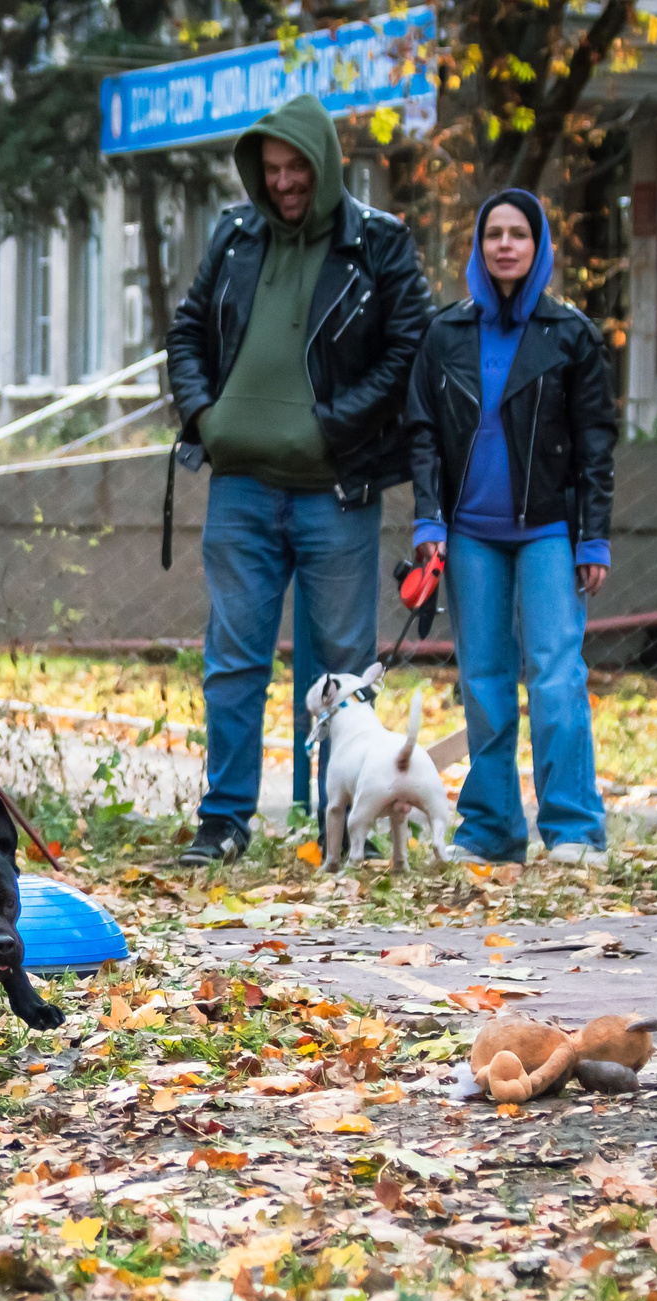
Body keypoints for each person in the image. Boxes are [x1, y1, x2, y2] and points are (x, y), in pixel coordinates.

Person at [166, 93, 435, 866]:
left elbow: (405, 350)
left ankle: (335, 824)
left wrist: (327, 426)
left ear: (324, 166)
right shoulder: (234, 232)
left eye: (296, 169)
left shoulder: (379, 243)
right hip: (240, 487)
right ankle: (224, 821)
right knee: (233, 660)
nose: (283, 182)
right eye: (271, 169)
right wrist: (204, 415)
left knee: (342, 674)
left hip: (337, 490)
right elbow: (186, 329)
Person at [402, 188, 617, 868]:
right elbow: (424, 435)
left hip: (551, 530)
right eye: (493, 232)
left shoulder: (571, 335)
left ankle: (575, 829)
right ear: (478, 245)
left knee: (556, 676)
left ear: (538, 246)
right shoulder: (446, 335)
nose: (504, 245)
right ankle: (491, 828)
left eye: (518, 234)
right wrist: (429, 519)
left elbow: (596, 446)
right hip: (468, 534)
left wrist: (594, 536)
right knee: (485, 679)